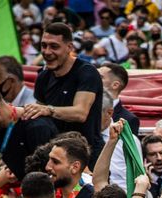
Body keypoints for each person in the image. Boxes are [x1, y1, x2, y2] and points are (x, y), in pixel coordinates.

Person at [25, 22, 105, 163]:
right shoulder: (43, 76)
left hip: (87, 155)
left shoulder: (86, 72)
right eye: (44, 46)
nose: (47, 52)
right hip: (55, 155)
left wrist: (48, 110)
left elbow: (81, 113)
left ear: (69, 47)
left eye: (54, 46)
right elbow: (39, 116)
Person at [98, 61, 140, 133]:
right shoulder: (85, 109)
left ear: (115, 85)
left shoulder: (128, 119)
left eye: (100, 77)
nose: (93, 79)